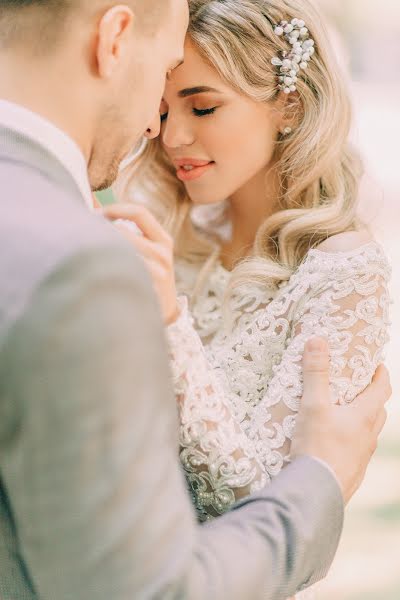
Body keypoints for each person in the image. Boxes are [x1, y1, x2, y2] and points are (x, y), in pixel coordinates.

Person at [0, 1, 391, 599]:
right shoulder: (160, 233)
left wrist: (171, 326)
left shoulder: (343, 272)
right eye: (160, 108)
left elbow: (267, 503)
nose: (170, 135)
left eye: (203, 107)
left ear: (288, 104)